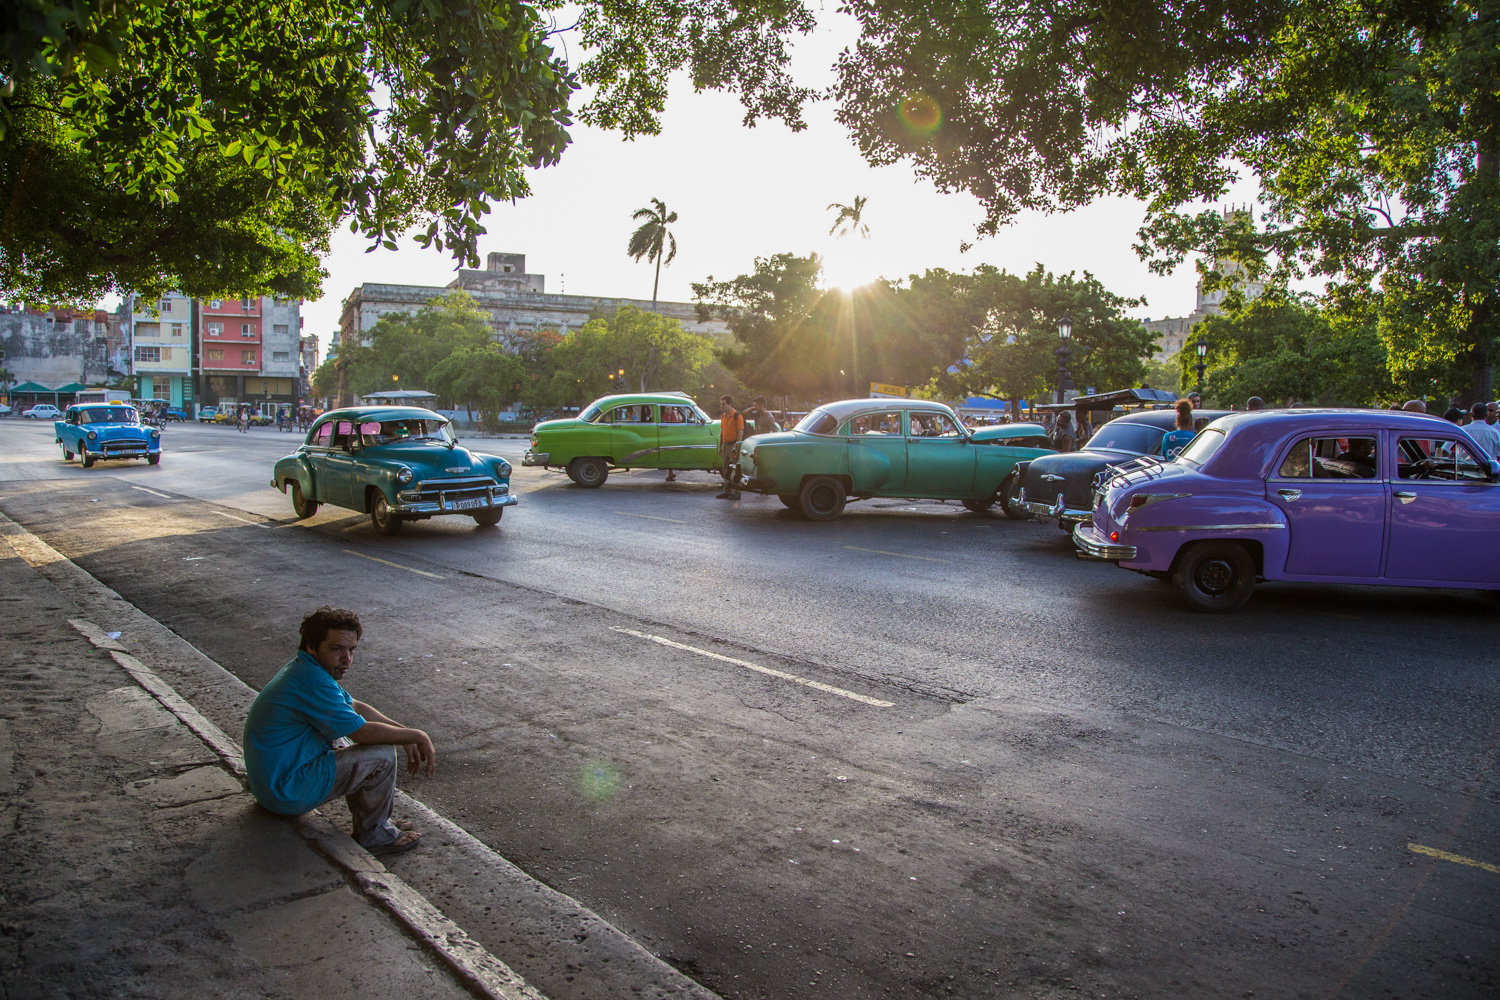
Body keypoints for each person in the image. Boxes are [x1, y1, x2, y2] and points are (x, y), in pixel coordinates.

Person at [243, 607, 434, 856]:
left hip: (274, 785)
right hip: (285, 792)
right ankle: (374, 835)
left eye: (351, 649)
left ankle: (375, 824)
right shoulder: (311, 680)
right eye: (336, 649)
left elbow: (355, 707)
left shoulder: (306, 670)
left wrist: (403, 731)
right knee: (380, 753)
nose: (347, 659)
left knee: (351, 739)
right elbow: (363, 733)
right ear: (312, 646)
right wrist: (417, 735)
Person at [717, 395, 744, 500]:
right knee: (725, 470)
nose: (722, 406)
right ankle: (727, 490)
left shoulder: (737, 416)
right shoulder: (723, 416)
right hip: (726, 445)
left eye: (724, 404)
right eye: (721, 404)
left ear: (730, 404)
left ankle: (736, 491)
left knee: (734, 469)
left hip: (733, 445)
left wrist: (737, 446)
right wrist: (720, 446)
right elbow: (722, 432)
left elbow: (740, 432)